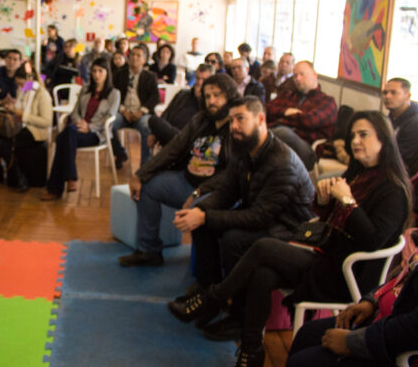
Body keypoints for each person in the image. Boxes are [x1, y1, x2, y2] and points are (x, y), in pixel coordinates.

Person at [168, 111, 412, 367]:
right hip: (327, 257)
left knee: (261, 247)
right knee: (262, 274)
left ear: (383, 139)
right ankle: (251, 353)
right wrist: (324, 199)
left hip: (348, 274)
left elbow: (371, 240)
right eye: (353, 135)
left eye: (363, 135)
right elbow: (331, 219)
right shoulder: (359, 173)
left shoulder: (393, 189)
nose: (355, 141)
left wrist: (347, 201)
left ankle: (213, 299)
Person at [169, 96, 314, 342]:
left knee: (233, 239)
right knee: (202, 219)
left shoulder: (282, 163)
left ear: (260, 119)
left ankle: (238, 317)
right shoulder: (243, 148)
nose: (234, 126)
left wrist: (206, 217)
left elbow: (259, 217)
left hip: (290, 230)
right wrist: (201, 212)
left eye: (240, 119)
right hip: (265, 218)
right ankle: (209, 297)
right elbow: (227, 192)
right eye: (231, 120)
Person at [118, 74, 240, 267]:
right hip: (186, 181)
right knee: (147, 186)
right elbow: (174, 148)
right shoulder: (200, 119)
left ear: (230, 96)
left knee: (200, 208)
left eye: (217, 95)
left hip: (215, 193)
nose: (212, 101)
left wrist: (197, 193)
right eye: (207, 96)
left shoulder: (237, 125)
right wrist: (140, 175)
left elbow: (232, 173)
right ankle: (149, 251)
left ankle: (204, 275)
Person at [286, 230, 418, 367]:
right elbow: (397, 280)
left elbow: (412, 330)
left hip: (398, 350)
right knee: (307, 333)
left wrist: (352, 342)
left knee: (302, 362)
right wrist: (371, 301)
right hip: (382, 323)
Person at [41, 57, 119, 200]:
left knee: (61, 138)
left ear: (107, 72)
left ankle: (55, 188)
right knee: (66, 136)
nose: (96, 74)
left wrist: (89, 127)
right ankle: (69, 179)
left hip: (96, 134)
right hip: (77, 130)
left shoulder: (114, 93)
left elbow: (110, 116)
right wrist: (80, 123)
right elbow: (75, 111)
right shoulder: (86, 89)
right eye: (94, 71)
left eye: (100, 71)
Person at [0, 62, 53, 190]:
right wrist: (10, 105)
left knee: (5, 144)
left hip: (35, 131)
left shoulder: (42, 95)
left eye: (21, 84)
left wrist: (22, 114)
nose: (20, 87)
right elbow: (19, 107)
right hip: (19, 127)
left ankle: (19, 176)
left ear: (30, 80)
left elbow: (46, 121)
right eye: (18, 84)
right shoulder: (23, 91)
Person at [267, 60, 337, 171]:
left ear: (314, 74)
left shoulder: (327, 101)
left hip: (307, 147)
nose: (297, 79)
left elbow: (311, 121)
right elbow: (265, 109)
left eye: (302, 74)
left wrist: (283, 119)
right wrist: (285, 112)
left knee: (281, 133)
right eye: (295, 76)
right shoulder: (288, 95)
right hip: (279, 140)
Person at [111, 46, 160, 168]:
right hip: (123, 113)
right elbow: (112, 94)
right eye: (132, 54)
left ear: (144, 60)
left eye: (138, 55)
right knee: (109, 123)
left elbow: (155, 97)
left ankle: (145, 165)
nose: (134, 58)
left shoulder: (150, 76)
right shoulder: (118, 74)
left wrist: (141, 111)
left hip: (142, 113)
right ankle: (120, 153)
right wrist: (123, 110)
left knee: (145, 126)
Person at [146, 63, 213, 149]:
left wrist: (201, 96)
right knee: (153, 120)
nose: (199, 83)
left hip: (190, 140)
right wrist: (154, 134)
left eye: (204, 79)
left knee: (154, 121)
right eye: (198, 78)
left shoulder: (210, 101)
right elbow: (167, 113)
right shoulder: (183, 94)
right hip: (173, 134)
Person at [383, 78, 418, 175]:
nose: (387, 96)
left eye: (393, 93)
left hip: (400, 175)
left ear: (408, 96)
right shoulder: (391, 116)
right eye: (385, 93)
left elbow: (400, 158)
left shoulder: (414, 123)